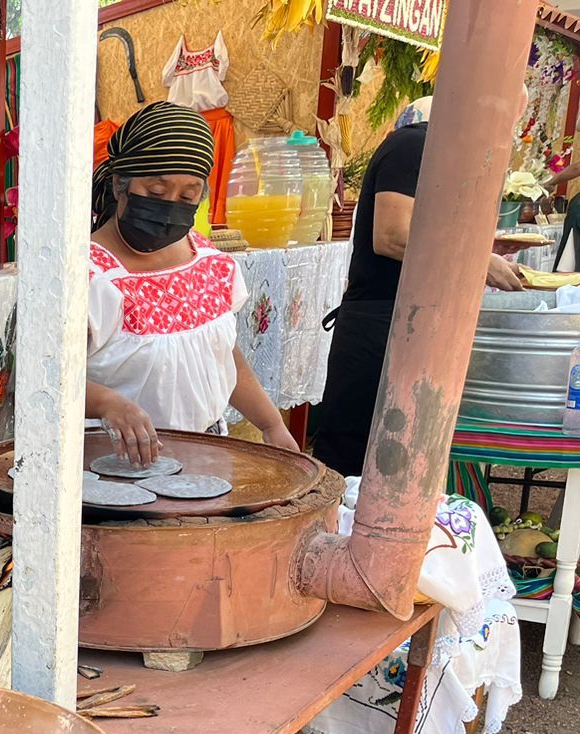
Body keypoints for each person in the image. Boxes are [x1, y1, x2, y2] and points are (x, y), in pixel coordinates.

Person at [313, 94, 528, 476]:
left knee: (400, 471)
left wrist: (482, 246)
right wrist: (477, 260)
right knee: (348, 467)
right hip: (380, 326)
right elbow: (391, 236)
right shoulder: (413, 145)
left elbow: (432, 236)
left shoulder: (447, 160)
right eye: (506, 120)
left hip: (418, 324)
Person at [86, 101, 299, 467]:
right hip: (114, 468)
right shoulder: (90, 274)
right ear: (120, 184)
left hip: (205, 459)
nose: (171, 206)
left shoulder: (207, 261)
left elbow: (222, 355)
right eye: (156, 192)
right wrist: (108, 403)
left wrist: (271, 425)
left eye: (187, 196)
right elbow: (49, 377)